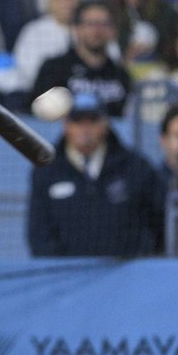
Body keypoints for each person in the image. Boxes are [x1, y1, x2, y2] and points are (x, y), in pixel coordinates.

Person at [28, 92, 166, 257]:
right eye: (78, 120)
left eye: (92, 120)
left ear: (105, 123)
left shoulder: (135, 167)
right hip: (66, 275)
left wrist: (140, 260)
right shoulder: (47, 170)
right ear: (65, 124)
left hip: (126, 275)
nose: (85, 129)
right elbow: (38, 232)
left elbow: (159, 222)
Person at [32, 0, 133, 117]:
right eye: (90, 23)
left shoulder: (121, 75)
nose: (97, 30)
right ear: (77, 29)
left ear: (113, 31)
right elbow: (36, 115)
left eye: (104, 24)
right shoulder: (54, 69)